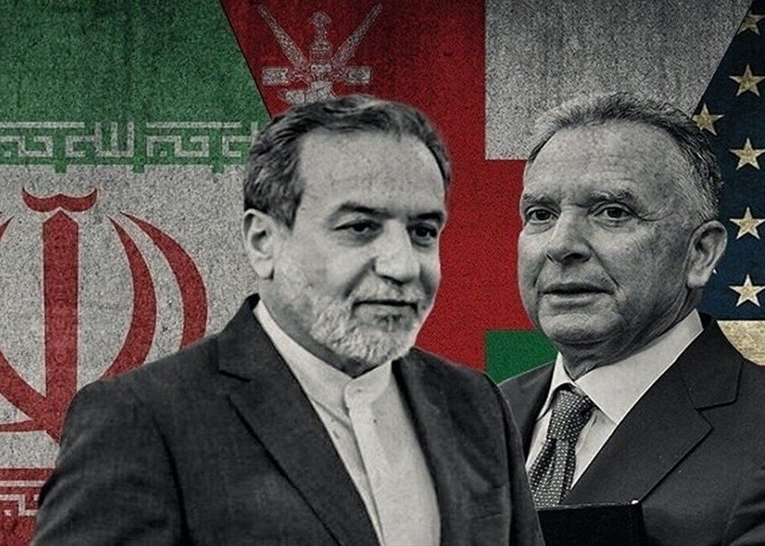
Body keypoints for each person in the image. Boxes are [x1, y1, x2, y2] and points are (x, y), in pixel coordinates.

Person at [33, 95, 543, 546]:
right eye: (360, 227)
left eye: (423, 232)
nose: (403, 266)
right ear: (264, 242)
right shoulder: (142, 419)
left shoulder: (475, 404)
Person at [501, 92, 765, 545]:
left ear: (700, 253)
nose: (561, 246)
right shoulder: (477, 416)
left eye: (613, 213)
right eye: (541, 214)